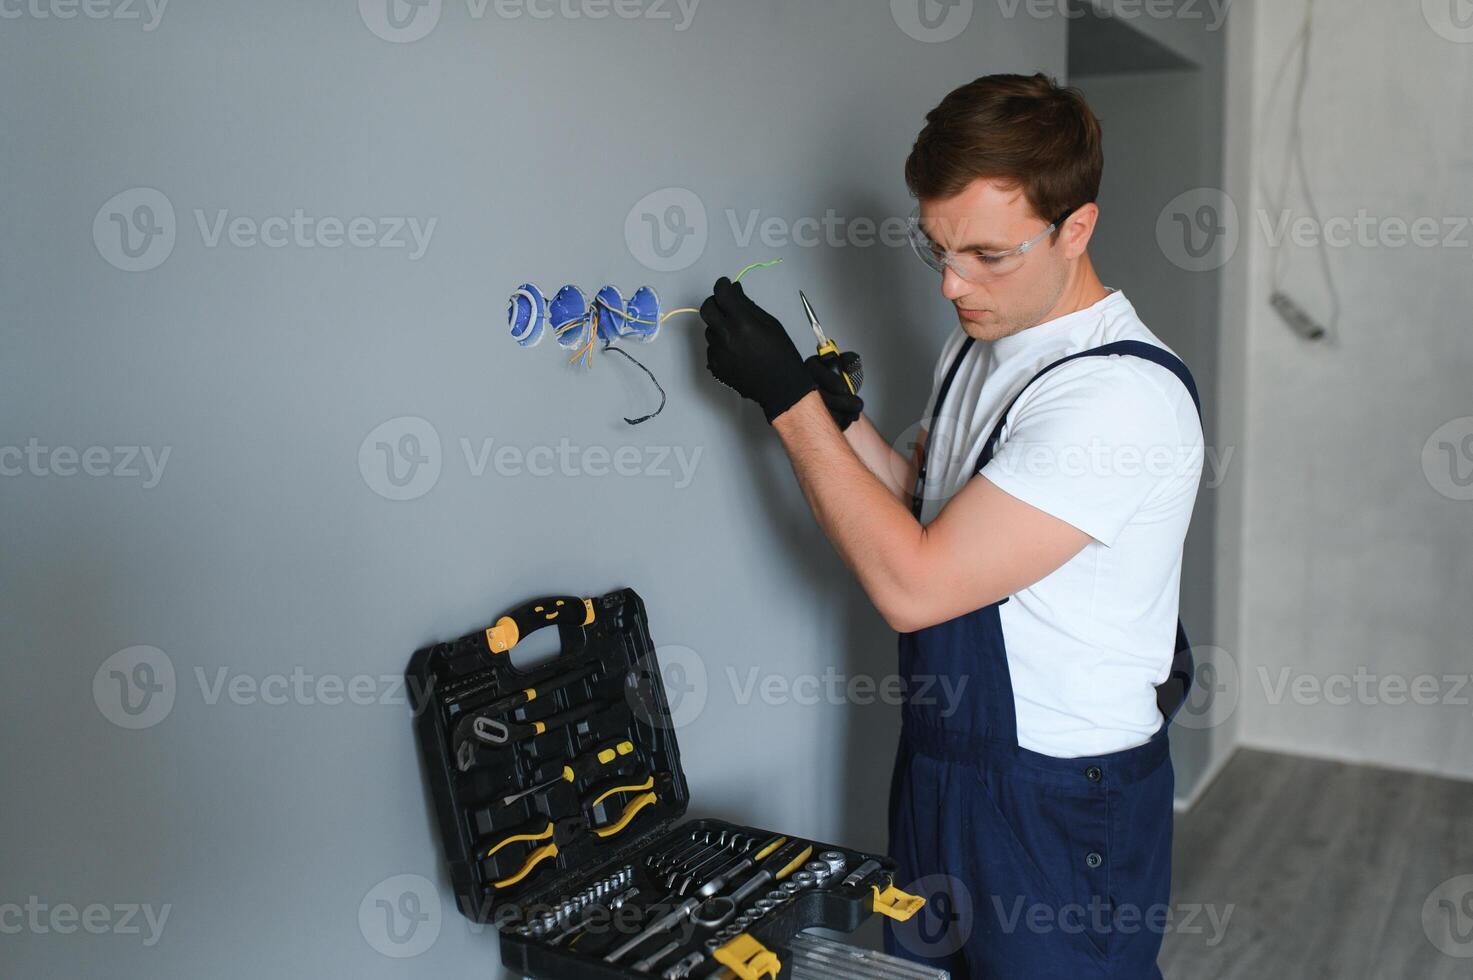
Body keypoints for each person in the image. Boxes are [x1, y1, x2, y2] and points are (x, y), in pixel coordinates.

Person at [699, 72, 1205, 979]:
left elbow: (915, 584)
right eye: (935, 247)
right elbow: (923, 508)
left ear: (1074, 229)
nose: (949, 284)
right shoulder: (975, 345)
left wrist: (787, 404)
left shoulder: (1116, 396)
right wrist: (834, 409)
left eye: (985, 255)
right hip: (943, 765)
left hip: (1057, 801)